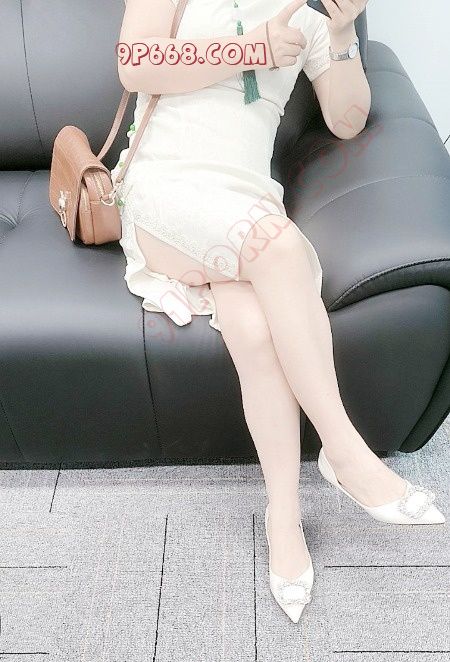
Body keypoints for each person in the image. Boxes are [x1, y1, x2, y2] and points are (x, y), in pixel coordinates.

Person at [112, 0, 445, 623]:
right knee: (280, 246)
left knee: (256, 331)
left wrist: (341, 31)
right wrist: (251, 48)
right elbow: (135, 63)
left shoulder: (308, 19)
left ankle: (283, 518)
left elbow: (347, 120)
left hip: (241, 201)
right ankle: (346, 452)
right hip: (164, 189)